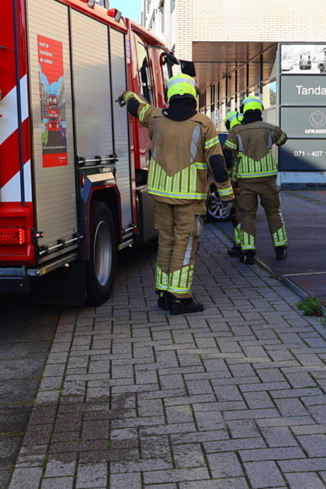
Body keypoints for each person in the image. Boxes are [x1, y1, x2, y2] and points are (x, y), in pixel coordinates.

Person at [119, 74, 234, 314]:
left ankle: (163, 292)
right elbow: (217, 162)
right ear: (193, 95)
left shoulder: (155, 117)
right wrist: (227, 195)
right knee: (186, 244)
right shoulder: (204, 123)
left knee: (167, 242)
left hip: (161, 196)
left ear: (170, 95)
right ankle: (181, 297)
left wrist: (126, 95)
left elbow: (135, 106)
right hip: (189, 199)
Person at [225, 96, 289, 264]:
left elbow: (226, 154)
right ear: (260, 110)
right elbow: (283, 140)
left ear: (243, 111)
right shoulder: (271, 128)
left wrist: (229, 173)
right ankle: (280, 248)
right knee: (274, 212)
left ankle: (248, 252)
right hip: (268, 180)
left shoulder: (236, 131)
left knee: (247, 215)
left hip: (246, 181)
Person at [223, 110, 245, 258]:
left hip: (239, 182)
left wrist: (228, 175)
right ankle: (244, 244)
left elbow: (228, 156)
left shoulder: (234, 136)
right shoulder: (249, 135)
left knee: (237, 215)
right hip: (250, 181)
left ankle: (240, 245)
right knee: (245, 215)